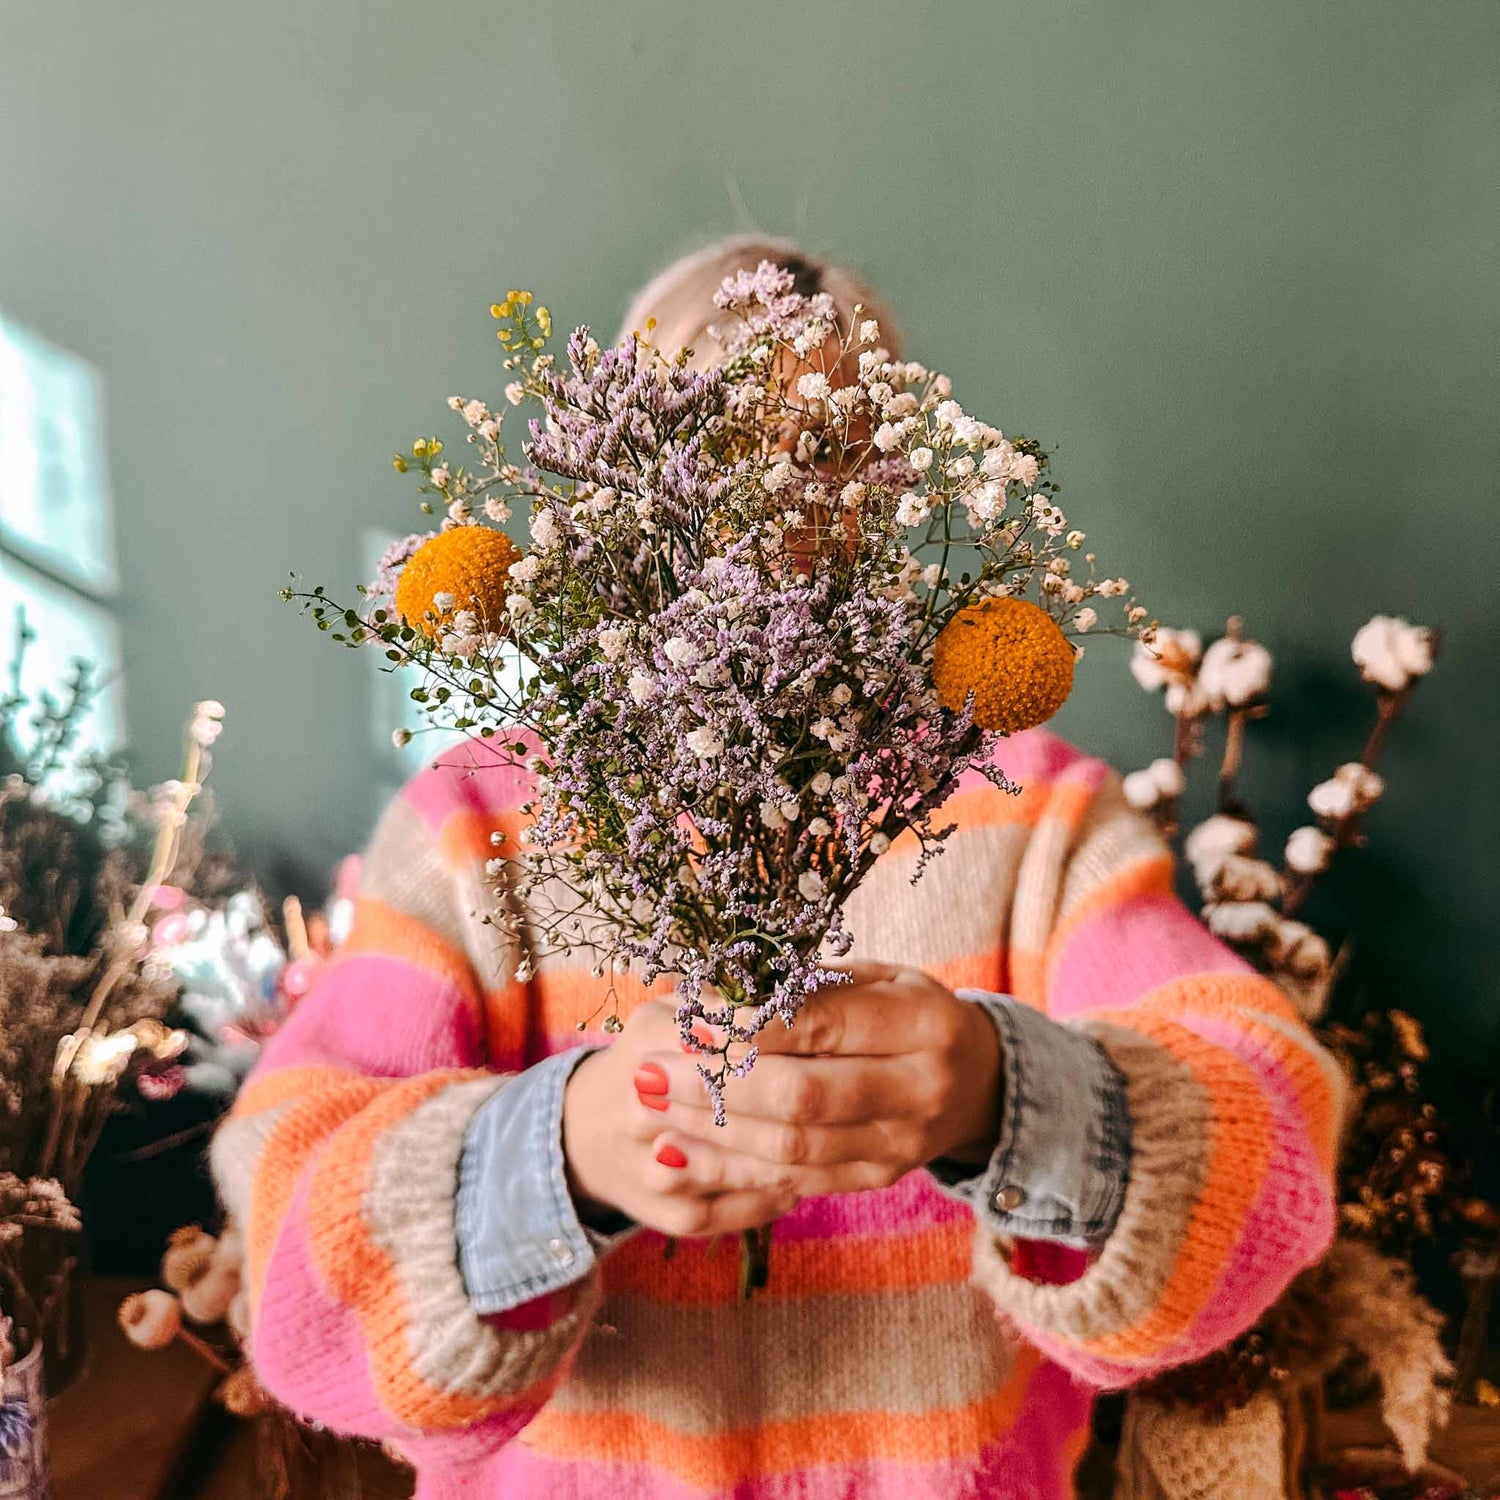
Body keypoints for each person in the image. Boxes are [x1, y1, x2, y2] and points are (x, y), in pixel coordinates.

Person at [212, 237, 1344, 1500]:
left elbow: (1272, 1133)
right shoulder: (477, 818)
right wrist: (561, 1153)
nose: (764, 505)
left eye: (821, 448)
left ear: (890, 477)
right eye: (698, 442)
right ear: (609, 478)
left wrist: (1002, 1096)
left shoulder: (1032, 811)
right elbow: (287, 1235)